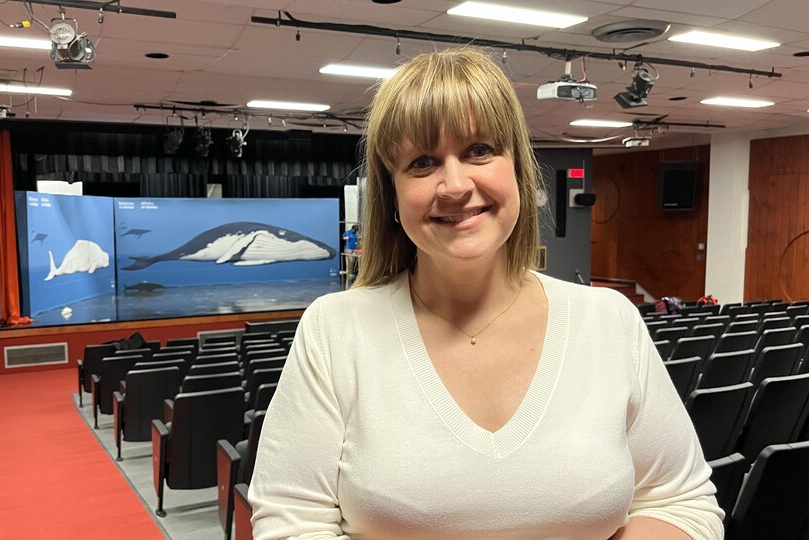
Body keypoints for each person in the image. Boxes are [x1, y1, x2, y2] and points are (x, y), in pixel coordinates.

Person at [249, 48, 723, 539]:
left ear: (517, 166)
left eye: (479, 150)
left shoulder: (608, 321)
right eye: (422, 161)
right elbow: (291, 524)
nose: (454, 185)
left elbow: (681, 503)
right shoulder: (334, 331)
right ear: (392, 193)